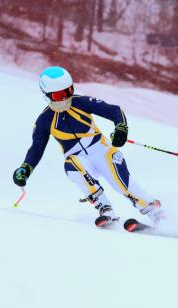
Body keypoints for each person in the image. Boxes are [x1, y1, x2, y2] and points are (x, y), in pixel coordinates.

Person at [12, 66, 163, 227]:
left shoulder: (81, 102)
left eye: (68, 91)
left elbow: (113, 111)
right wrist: (25, 169)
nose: (65, 98)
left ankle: (157, 215)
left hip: (102, 151)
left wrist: (121, 128)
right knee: (72, 165)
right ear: (47, 95)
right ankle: (106, 210)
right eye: (58, 95)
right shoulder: (45, 120)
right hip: (81, 160)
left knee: (121, 185)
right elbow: (37, 148)